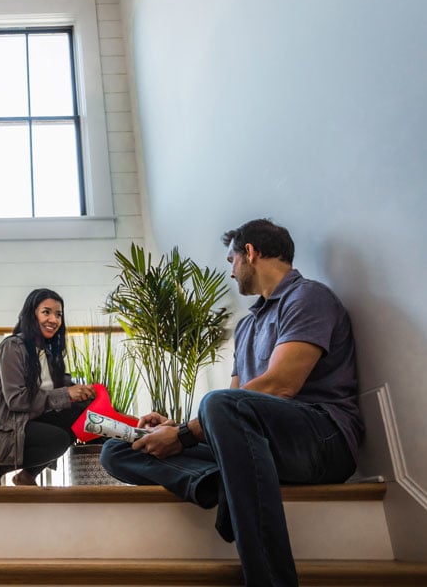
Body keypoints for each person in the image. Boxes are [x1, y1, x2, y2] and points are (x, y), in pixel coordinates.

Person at [100, 219, 363, 587]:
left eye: (231, 260)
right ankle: (219, 484)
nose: (231, 270)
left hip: (322, 440)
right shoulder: (247, 326)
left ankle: (270, 581)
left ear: (250, 253)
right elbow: (232, 411)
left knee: (218, 403)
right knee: (117, 451)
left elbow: (280, 385)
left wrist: (183, 434)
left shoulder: (308, 297)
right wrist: (172, 427)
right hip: (258, 448)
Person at [0, 288, 96, 486]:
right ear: (31, 314)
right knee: (58, 439)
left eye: (58, 314)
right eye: (46, 312)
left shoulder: (50, 356)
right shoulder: (12, 347)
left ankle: (26, 476)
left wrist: (84, 393)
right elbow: (17, 400)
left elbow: (59, 392)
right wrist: (65, 393)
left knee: (82, 411)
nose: (53, 319)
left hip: (27, 425)